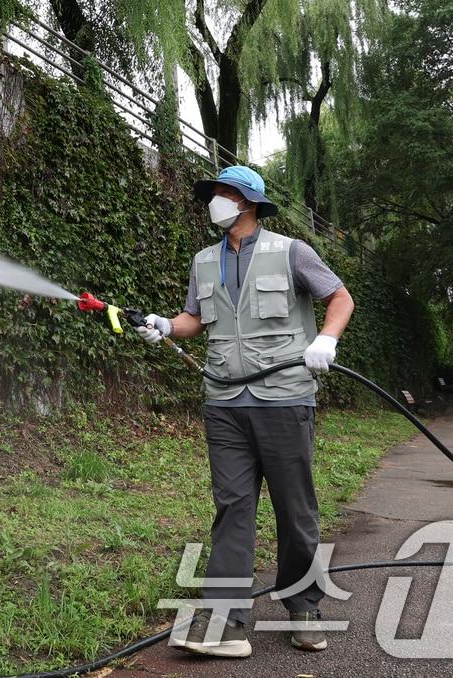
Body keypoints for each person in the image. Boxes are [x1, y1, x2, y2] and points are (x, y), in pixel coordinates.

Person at [134, 165, 355, 658]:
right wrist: (166, 326)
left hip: (284, 399)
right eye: (213, 194)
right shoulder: (202, 261)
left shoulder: (292, 251)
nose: (215, 201)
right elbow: (195, 318)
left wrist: (326, 338)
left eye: (224, 194)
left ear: (247, 202)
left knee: (294, 508)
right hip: (225, 404)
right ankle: (225, 620)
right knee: (232, 506)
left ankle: (303, 607)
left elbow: (340, 298)